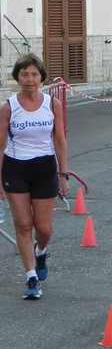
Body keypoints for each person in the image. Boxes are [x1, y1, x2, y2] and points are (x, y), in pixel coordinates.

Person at [0, 54, 69, 299]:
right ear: (17, 77)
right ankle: (30, 277)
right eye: (24, 74)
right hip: (15, 168)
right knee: (23, 224)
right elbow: (0, 145)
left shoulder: (52, 104)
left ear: (41, 78)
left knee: (44, 228)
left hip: (44, 169)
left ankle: (41, 251)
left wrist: (63, 174)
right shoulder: (8, 107)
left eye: (34, 74)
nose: (29, 79)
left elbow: (60, 140)